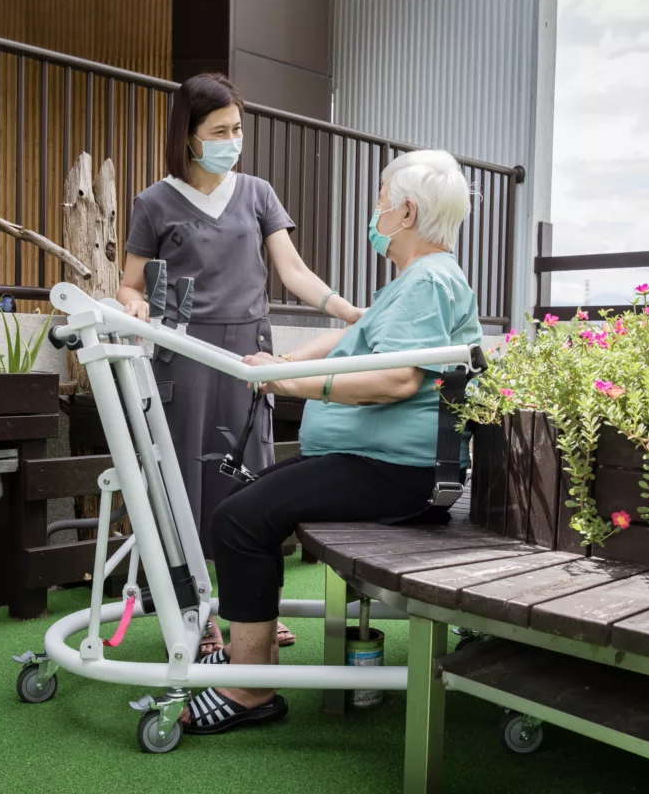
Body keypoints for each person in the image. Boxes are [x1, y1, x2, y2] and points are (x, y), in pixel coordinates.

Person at [179, 148, 482, 734]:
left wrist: (288, 380)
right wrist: (277, 362)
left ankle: (249, 690)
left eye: (380, 201)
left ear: (407, 213)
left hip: (396, 471)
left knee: (240, 519)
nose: (375, 213)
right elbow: (356, 335)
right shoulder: (417, 281)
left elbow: (396, 379)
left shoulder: (428, 281)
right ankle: (254, 659)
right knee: (243, 511)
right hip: (378, 463)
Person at [118, 73, 364, 657]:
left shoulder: (256, 193)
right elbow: (130, 284)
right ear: (189, 135)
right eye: (220, 130)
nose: (233, 140)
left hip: (251, 356)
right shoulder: (153, 202)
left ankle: (252, 610)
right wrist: (134, 309)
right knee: (187, 482)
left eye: (238, 129)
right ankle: (198, 615)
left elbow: (294, 271)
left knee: (250, 479)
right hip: (184, 358)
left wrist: (349, 312)